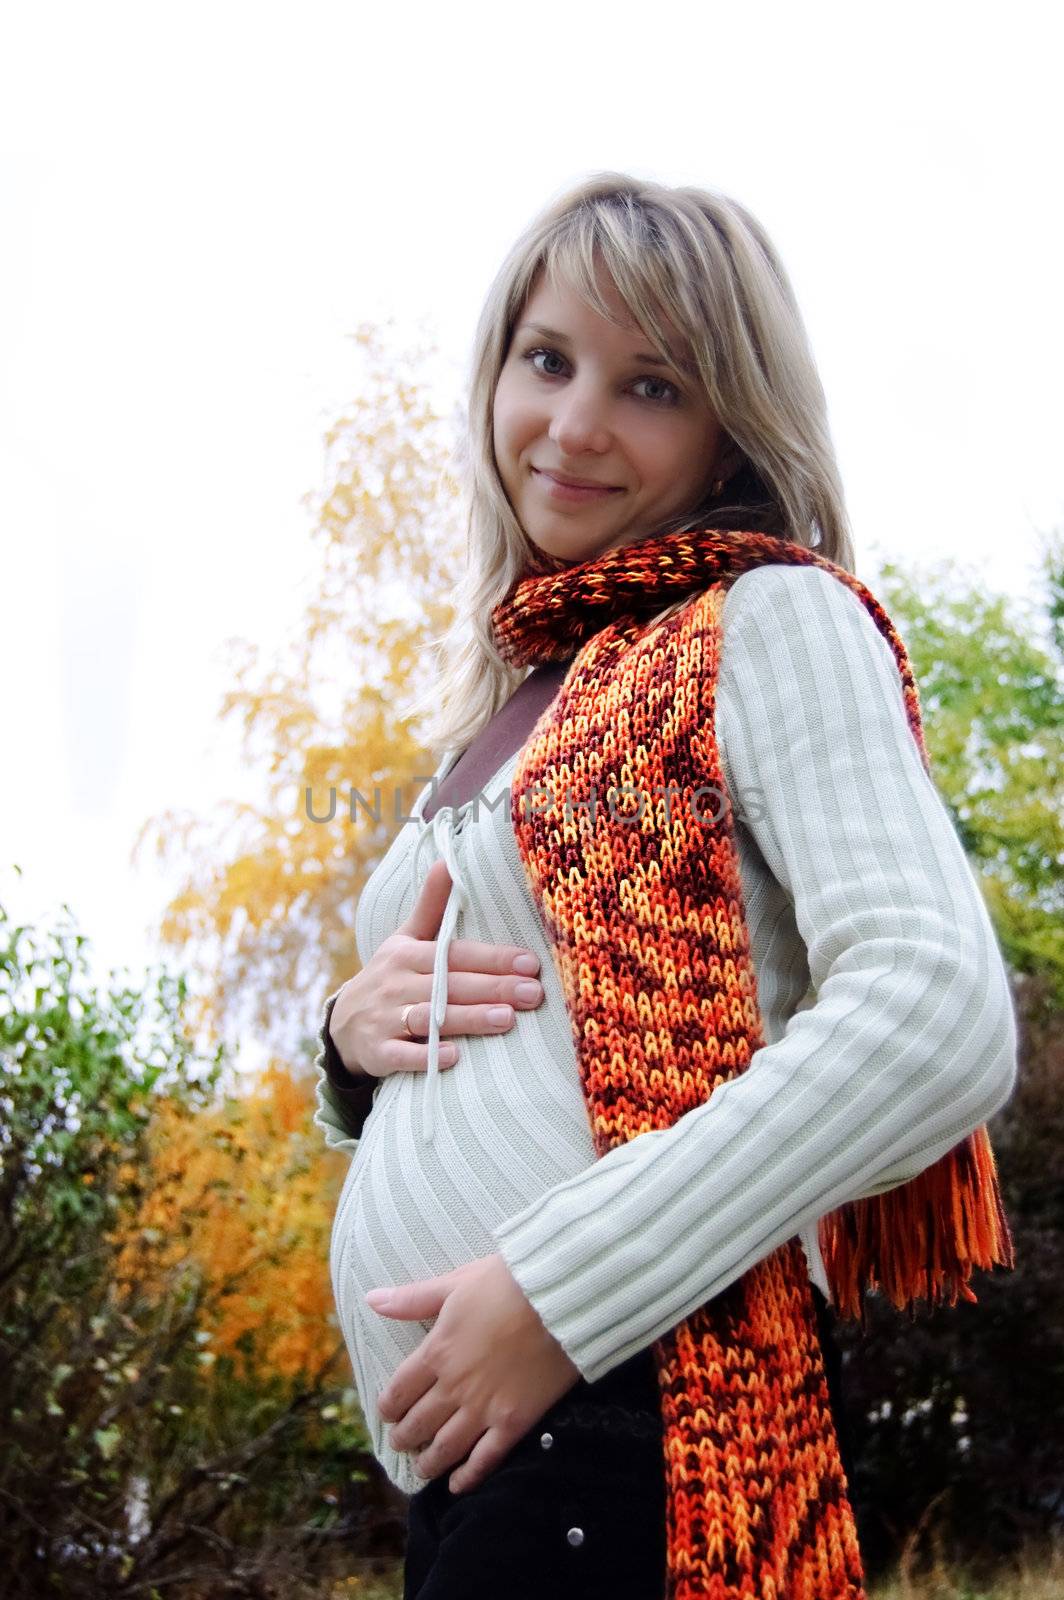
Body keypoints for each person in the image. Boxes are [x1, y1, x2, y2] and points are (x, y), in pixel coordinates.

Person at [313, 173, 1018, 1600]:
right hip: (490, 1465)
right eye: (549, 359)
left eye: (650, 385)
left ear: (726, 431)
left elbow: (937, 1009)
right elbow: (512, 1073)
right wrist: (346, 1044)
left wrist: (564, 1293)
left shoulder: (769, 618)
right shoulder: (520, 695)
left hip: (640, 1431)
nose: (574, 426)